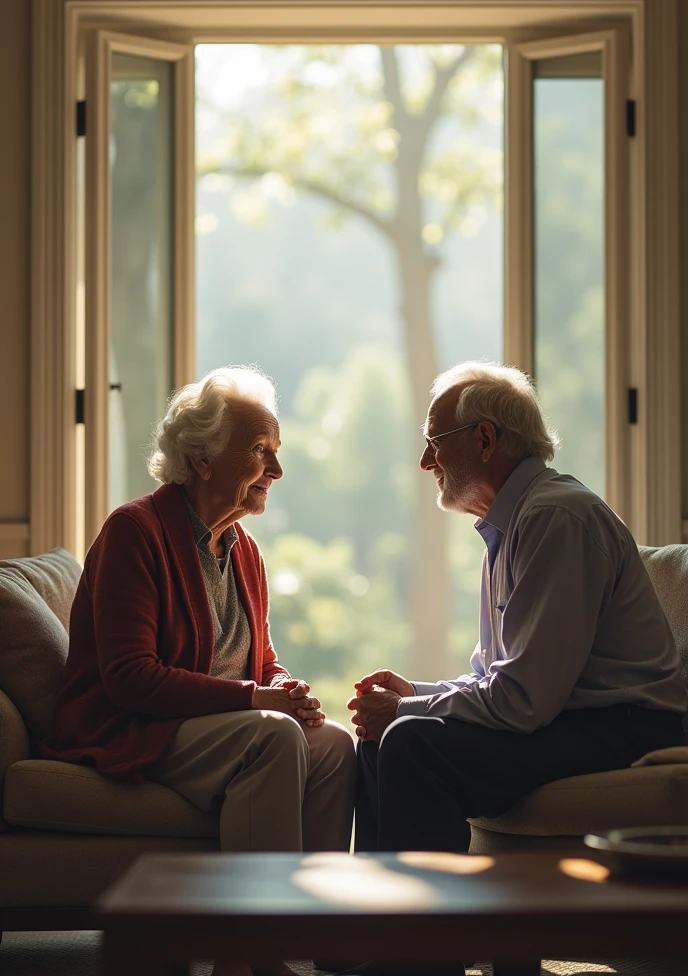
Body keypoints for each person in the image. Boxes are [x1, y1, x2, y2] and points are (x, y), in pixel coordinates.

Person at [43, 366, 356, 976]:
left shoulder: (242, 546)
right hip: (132, 725)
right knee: (272, 734)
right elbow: (131, 677)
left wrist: (283, 686)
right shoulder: (135, 532)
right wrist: (257, 700)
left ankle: (316, 939)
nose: (278, 470)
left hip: (210, 725)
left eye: (277, 451)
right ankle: (251, 959)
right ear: (202, 460)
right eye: (261, 452)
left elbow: (257, 658)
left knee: (334, 745)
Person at [349, 361, 687, 855]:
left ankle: (423, 927)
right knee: (383, 738)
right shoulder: (513, 525)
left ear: (485, 439)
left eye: (435, 441)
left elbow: (523, 700)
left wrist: (405, 710)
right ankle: (381, 917)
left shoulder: (554, 518)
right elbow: (496, 678)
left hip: (625, 728)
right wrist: (413, 693)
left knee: (408, 743)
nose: (426, 461)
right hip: (571, 719)